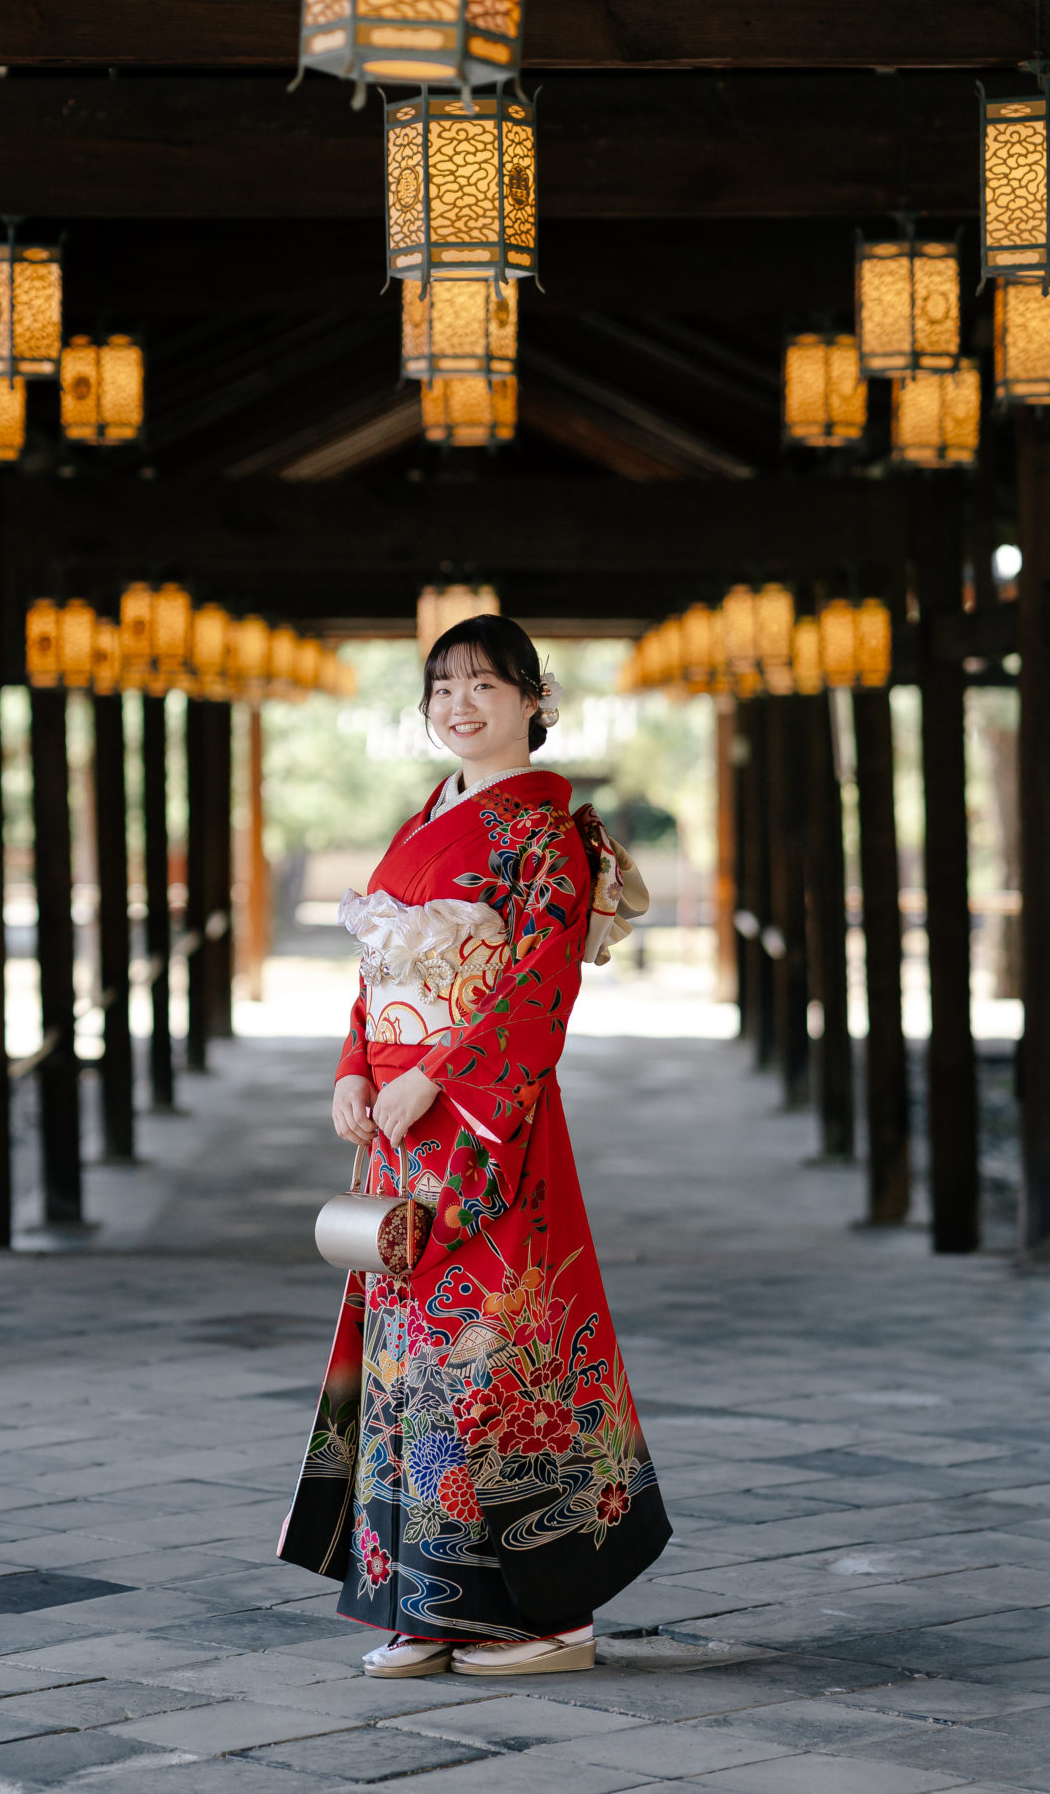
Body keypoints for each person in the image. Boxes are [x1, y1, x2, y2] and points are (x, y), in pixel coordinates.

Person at [278, 615, 669, 1678]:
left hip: (492, 1126)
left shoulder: (548, 835)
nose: (459, 703)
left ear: (535, 701)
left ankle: (552, 1613)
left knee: (500, 1346)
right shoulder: (421, 824)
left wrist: (431, 1076)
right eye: (441, 685)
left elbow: (537, 984)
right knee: (413, 1356)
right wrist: (357, 1067)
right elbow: (377, 969)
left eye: (485, 684)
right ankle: (432, 1596)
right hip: (407, 1124)